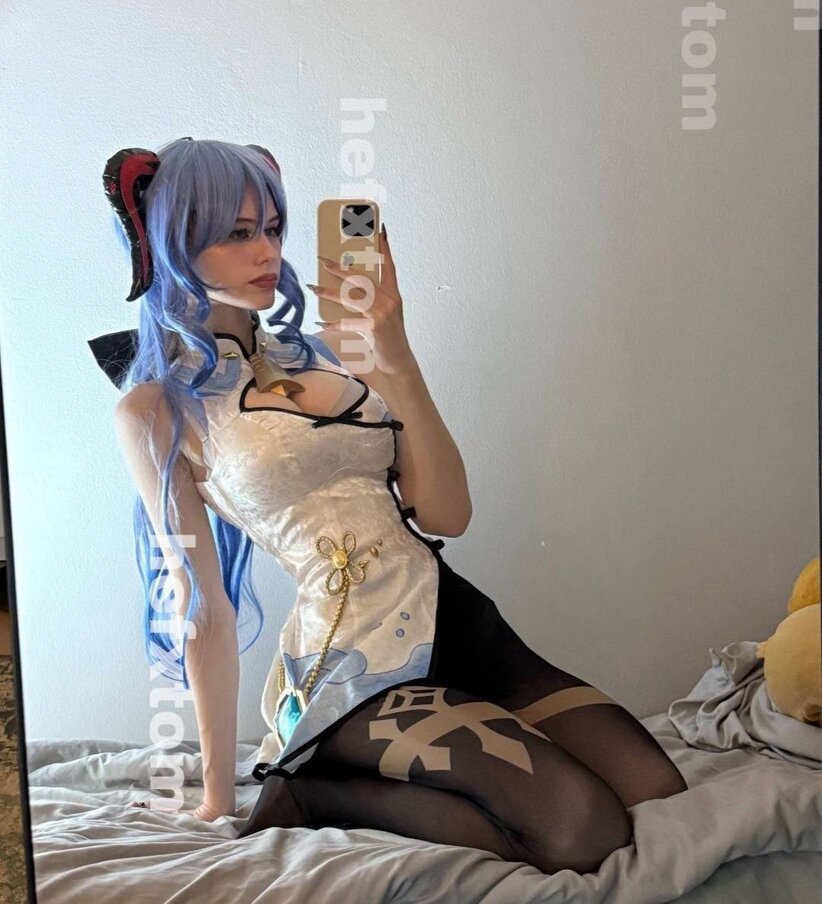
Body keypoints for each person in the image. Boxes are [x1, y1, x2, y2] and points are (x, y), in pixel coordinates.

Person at [92, 137, 687, 876]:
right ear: (173, 245)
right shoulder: (156, 409)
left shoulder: (337, 351)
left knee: (653, 789)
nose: (267, 251)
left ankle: (366, 771)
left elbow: (446, 516)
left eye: (272, 228)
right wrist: (218, 795)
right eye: (237, 233)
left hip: (457, 619)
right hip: (352, 666)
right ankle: (307, 791)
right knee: (583, 829)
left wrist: (395, 354)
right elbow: (204, 606)